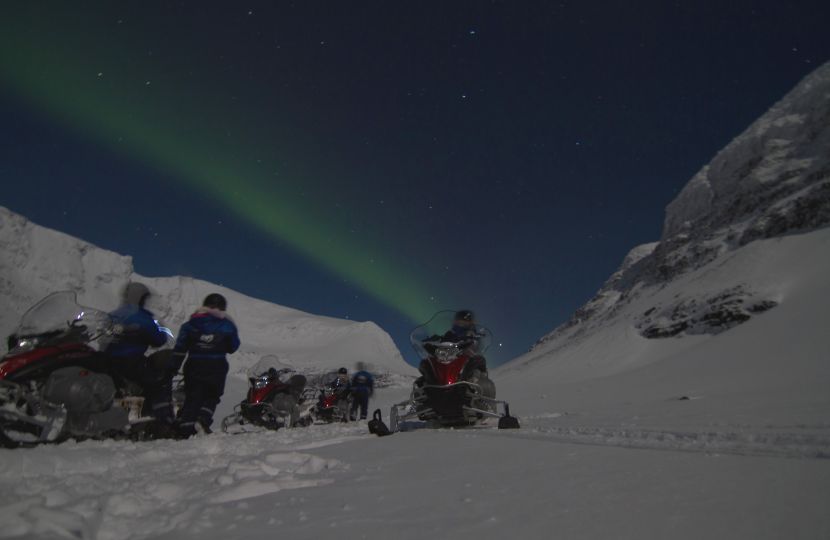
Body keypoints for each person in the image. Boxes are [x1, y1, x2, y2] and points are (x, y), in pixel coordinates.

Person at [104, 282, 175, 428]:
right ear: (140, 299)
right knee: (160, 380)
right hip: (131, 361)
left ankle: (131, 410)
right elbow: (159, 339)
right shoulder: (142, 317)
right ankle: (163, 421)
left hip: (107, 361)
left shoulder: (112, 314)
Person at [170, 293, 240, 438]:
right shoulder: (227, 325)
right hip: (217, 366)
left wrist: (173, 367)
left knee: (193, 396)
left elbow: (180, 348)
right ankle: (202, 419)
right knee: (212, 396)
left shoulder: (190, 325)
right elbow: (233, 347)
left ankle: (185, 428)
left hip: (194, 365)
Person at [418, 309, 488, 384]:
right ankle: (425, 387)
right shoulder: (450, 334)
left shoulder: (472, 335)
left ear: (470, 323)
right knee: (425, 363)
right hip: (448, 359)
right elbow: (442, 340)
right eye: (459, 322)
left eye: (464, 322)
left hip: (465, 360)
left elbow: (478, 346)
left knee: (478, 361)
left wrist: (473, 340)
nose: (461, 324)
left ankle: (473, 385)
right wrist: (432, 340)